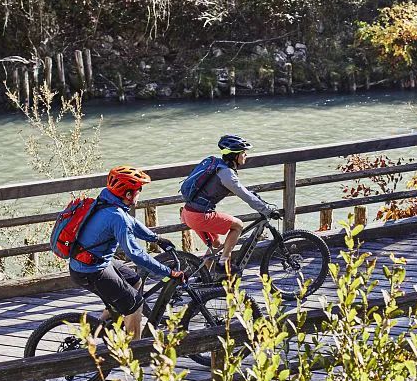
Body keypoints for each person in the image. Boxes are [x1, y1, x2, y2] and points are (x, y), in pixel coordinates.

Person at [69, 165, 182, 340]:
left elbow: (133, 223)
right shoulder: (117, 216)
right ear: (128, 194)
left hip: (92, 262)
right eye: (138, 190)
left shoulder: (106, 200)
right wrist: (168, 272)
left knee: (134, 281)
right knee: (135, 304)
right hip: (90, 271)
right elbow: (135, 254)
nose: (140, 194)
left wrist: (156, 239)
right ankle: (134, 353)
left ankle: (99, 326)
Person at [180, 135, 278, 276]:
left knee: (216, 245)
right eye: (243, 152)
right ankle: (223, 263)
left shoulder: (216, 165)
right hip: (200, 216)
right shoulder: (227, 173)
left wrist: (255, 197)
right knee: (238, 225)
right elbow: (245, 195)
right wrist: (267, 210)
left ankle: (204, 276)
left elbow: (239, 190)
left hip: (188, 212)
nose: (246, 155)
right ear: (235, 156)